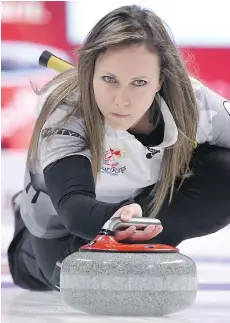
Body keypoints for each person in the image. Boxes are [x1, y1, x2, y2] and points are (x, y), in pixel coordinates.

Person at [8, 5, 230, 292]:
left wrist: (143, 219)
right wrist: (124, 219)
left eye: (139, 83)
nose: (121, 101)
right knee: (82, 281)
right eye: (109, 79)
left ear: (160, 81)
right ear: (90, 73)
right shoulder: (65, 109)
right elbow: (74, 208)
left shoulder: (195, 103)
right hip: (63, 228)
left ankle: (150, 239)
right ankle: (27, 251)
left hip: (146, 211)